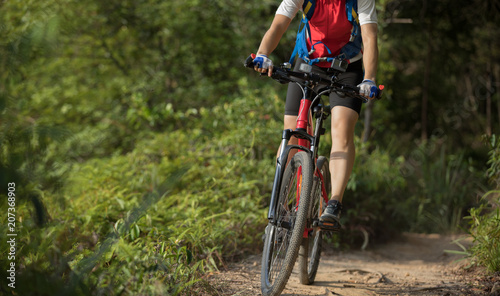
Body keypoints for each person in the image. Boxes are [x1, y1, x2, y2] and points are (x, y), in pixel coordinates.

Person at [253, 0, 378, 230]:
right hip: (308, 62)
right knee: (290, 133)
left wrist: (369, 78)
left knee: (341, 130)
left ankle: (334, 203)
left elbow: (369, 37)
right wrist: (262, 54)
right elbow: (278, 25)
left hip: (346, 68)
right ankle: (280, 206)